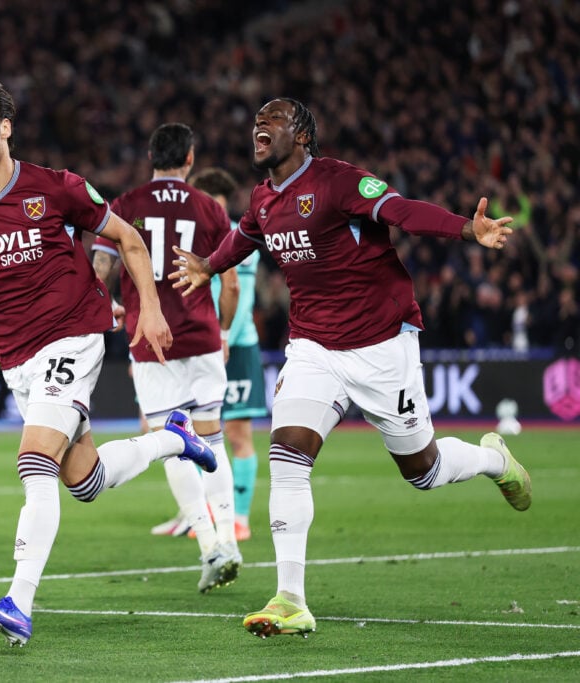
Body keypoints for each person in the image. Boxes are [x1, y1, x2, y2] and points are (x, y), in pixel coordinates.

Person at [170, 98, 532, 639]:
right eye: (257, 120)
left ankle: (492, 459)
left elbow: (403, 211)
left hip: (381, 344)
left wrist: (465, 229)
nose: (260, 125)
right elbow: (246, 235)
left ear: (303, 136)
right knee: (287, 455)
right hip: (313, 347)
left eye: (274, 118)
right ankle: (290, 599)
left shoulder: (339, 182)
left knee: (424, 471)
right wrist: (208, 264)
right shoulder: (265, 197)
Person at [0, 76, 217, 647]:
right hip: (17, 357)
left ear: (5, 128)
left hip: (74, 335)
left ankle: (18, 602)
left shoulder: (57, 187)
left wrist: (148, 310)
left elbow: (130, 240)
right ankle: (174, 438)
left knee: (34, 461)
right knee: (84, 480)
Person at [91, 123, 241, 593]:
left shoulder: (126, 204)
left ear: (151, 157)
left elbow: (99, 268)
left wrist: (105, 304)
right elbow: (231, 284)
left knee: (172, 443)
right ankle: (230, 539)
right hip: (202, 336)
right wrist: (225, 331)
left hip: (150, 339)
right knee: (213, 438)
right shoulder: (210, 207)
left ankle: (209, 546)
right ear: (190, 159)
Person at [194, 167, 268, 542]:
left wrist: (223, 337)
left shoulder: (240, 238)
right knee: (198, 434)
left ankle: (240, 518)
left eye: (217, 206)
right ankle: (209, 513)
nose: (212, 213)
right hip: (201, 346)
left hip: (235, 347)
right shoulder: (190, 239)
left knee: (238, 434)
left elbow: (241, 300)